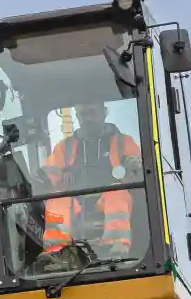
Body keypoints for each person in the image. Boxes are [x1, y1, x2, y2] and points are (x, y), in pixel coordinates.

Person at [38, 101, 142, 266]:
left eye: (92, 113)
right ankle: (57, 253)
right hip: (75, 200)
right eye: (83, 115)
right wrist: (45, 176)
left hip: (107, 197)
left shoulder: (123, 142)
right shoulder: (65, 147)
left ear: (104, 113)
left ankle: (114, 249)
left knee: (117, 193)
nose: (88, 119)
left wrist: (132, 165)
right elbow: (47, 172)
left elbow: (137, 165)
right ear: (78, 117)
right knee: (56, 201)